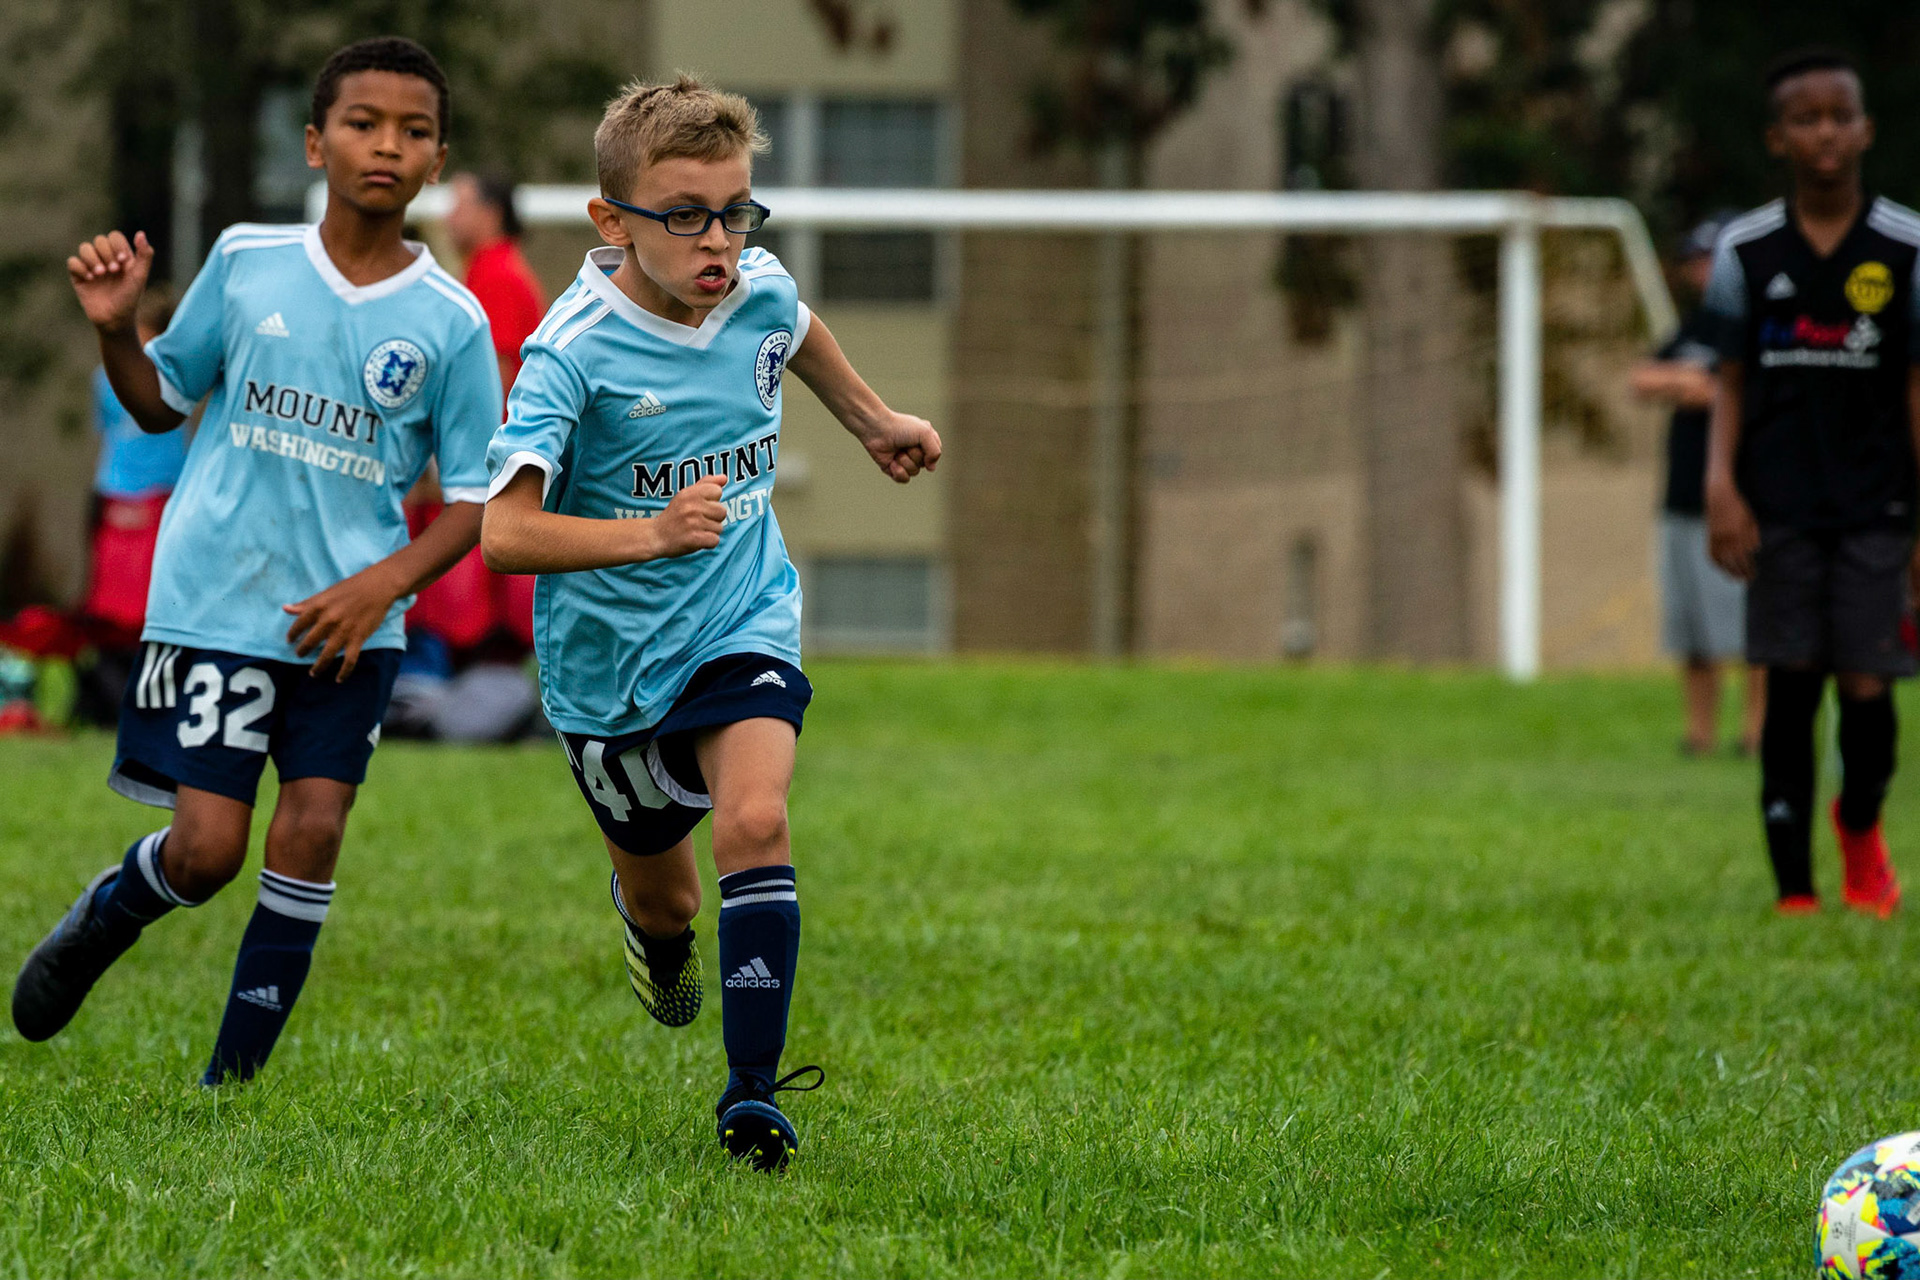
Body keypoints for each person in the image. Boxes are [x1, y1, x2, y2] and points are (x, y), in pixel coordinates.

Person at [11, 36, 502, 1083]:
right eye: (365, 123)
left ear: (438, 156)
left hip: (353, 626)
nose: (389, 145)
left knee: (314, 827)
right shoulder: (245, 261)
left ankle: (227, 1086)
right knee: (206, 852)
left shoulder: (454, 322)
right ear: (316, 143)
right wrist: (113, 333)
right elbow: (159, 401)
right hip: (219, 605)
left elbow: (476, 504)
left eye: (415, 131)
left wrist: (384, 582)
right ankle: (108, 912)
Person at [480, 75, 941, 1170]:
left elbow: (795, 324)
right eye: (685, 214)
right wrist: (645, 534)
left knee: (754, 824)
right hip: (607, 666)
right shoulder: (571, 352)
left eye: (735, 209)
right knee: (670, 890)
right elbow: (504, 534)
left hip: (742, 614)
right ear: (612, 222)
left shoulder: (757, 284)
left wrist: (874, 420)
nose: (718, 240)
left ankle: (751, 1095)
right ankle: (653, 928)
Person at [1703, 47, 1920, 917]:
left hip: (1878, 505)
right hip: (1778, 503)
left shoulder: (1905, 246)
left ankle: (1860, 827)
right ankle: (1794, 889)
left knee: (1867, 687)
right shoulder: (1745, 250)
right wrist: (1721, 484)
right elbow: (1727, 379)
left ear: (1865, 129)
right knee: (1789, 681)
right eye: (1806, 117)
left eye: (1840, 115)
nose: (1825, 132)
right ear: (1777, 137)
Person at [1631, 215, 1766, 757]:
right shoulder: (1691, 329)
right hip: (1681, 500)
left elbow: (1758, 390)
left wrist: (1708, 390)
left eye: (1712, 260)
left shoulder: (1755, 324)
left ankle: (1756, 731)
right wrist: (1690, 382)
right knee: (1691, 633)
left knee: (1748, 628)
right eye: (1695, 262)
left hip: (1738, 503)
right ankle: (1699, 735)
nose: (1703, 271)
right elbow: (1642, 377)